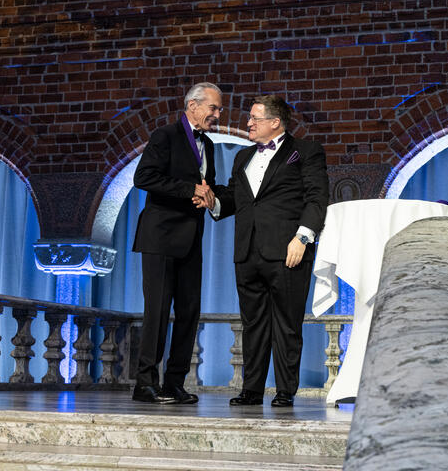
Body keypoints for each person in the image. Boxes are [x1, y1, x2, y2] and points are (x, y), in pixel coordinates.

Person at [198, 95, 329, 407]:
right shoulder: (243, 157)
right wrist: (213, 201)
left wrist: (303, 238)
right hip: (247, 252)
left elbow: (316, 197)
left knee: (286, 323)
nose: (248, 124)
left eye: (255, 118)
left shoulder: (305, 152)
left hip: (288, 251)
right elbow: (237, 199)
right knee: (253, 324)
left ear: (275, 122)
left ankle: (285, 391)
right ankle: (251, 390)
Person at [130, 82, 221, 403]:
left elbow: (208, 186)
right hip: (160, 236)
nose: (217, 114)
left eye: (218, 108)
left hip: (191, 237)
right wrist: (189, 190)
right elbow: (144, 178)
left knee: (189, 311)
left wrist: (208, 198)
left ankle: (174, 382)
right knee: (156, 311)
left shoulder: (208, 144)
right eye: (213, 107)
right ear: (193, 106)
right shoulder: (165, 136)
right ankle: (145, 383)